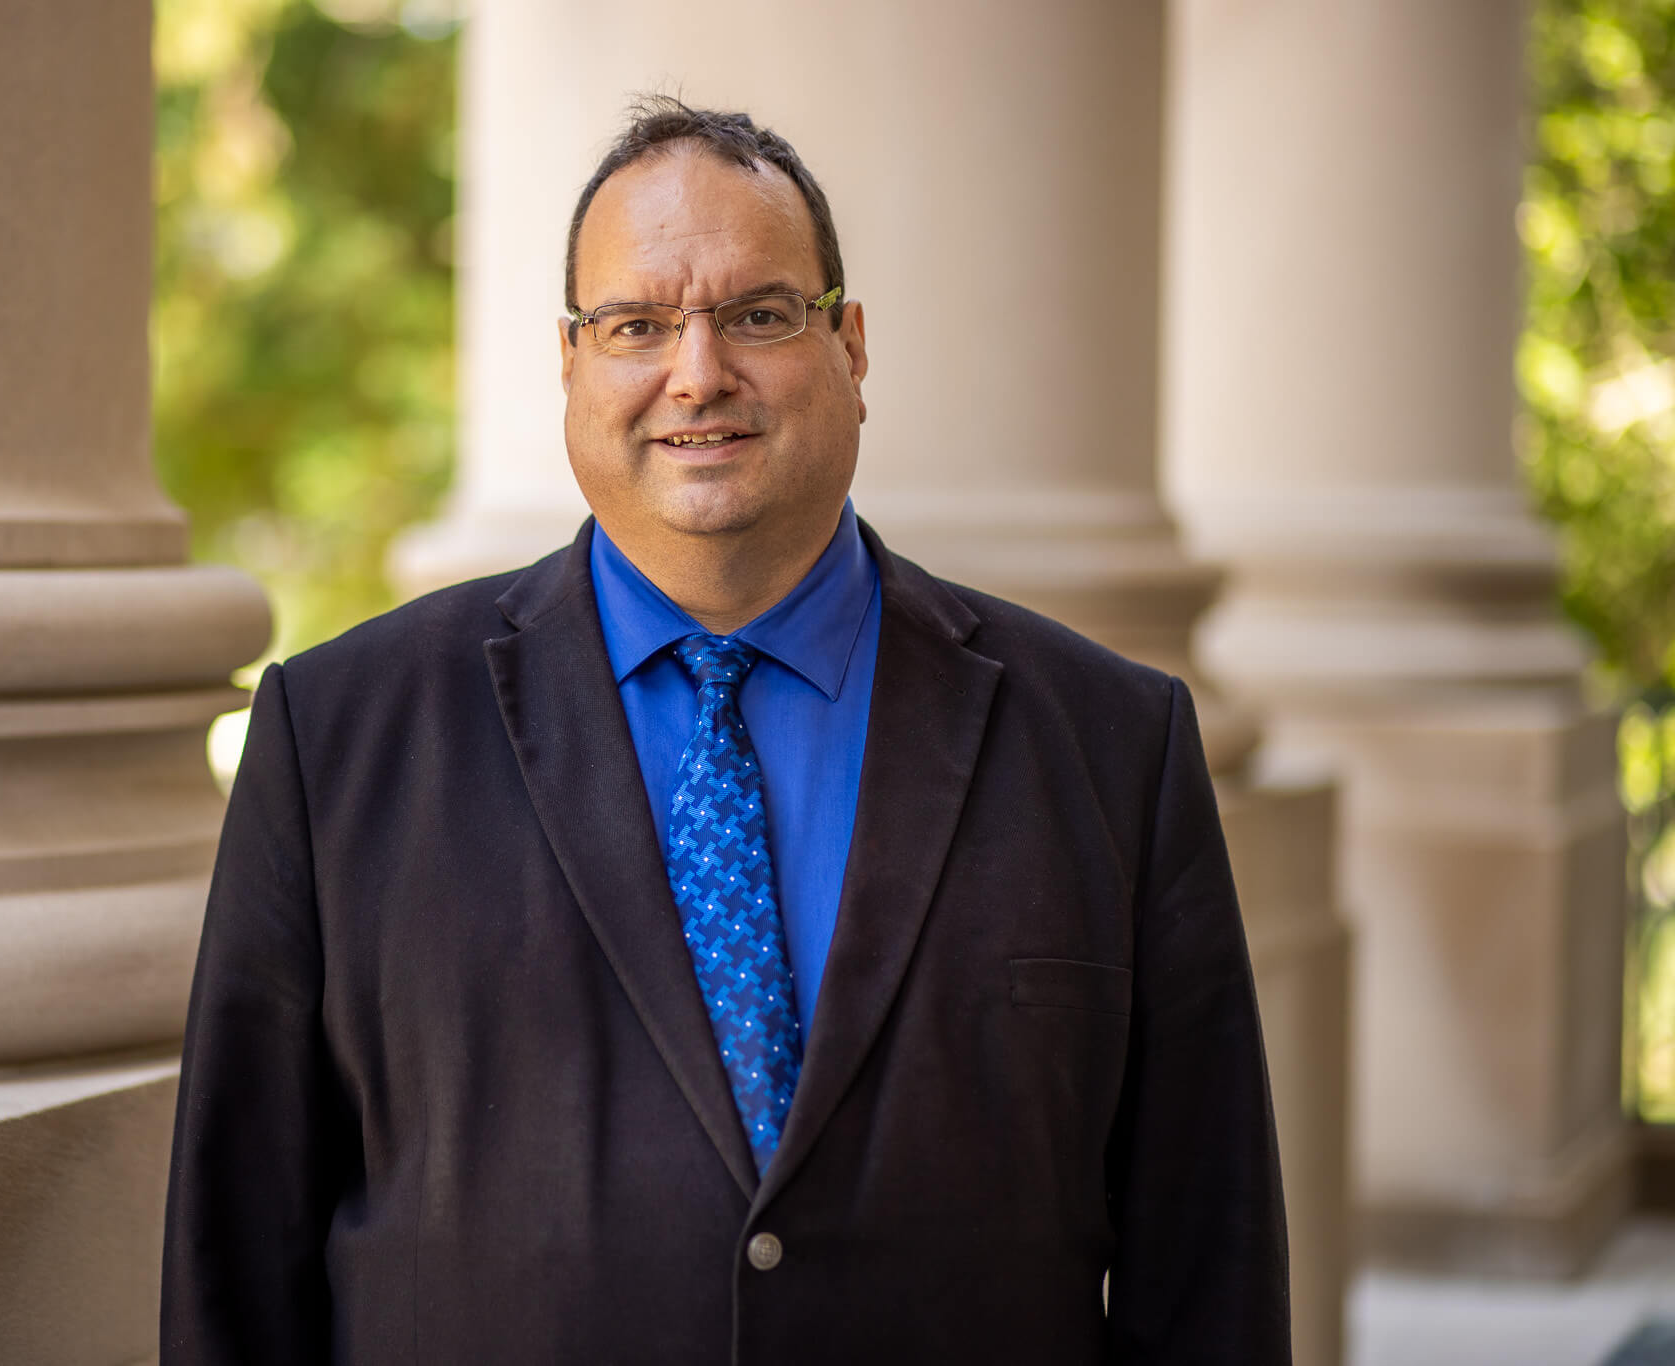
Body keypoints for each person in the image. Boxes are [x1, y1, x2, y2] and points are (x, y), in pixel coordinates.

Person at [161, 96, 1289, 1364]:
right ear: (573, 364)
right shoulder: (336, 740)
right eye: (635, 324)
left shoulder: (1108, 746)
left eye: (758, 314)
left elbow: (1207, 1270)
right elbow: (234, 1265)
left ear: (850, 348)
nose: (697, 372)